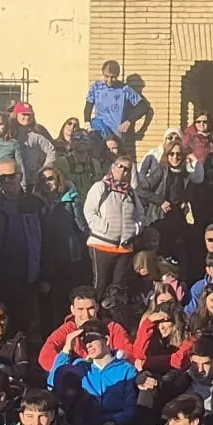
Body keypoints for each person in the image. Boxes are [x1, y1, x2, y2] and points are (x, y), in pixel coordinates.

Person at [0, 160, 47, 333]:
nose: (7, 181)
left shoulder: (34, 204)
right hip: (0, 274)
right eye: (2, 177)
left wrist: (44, 274)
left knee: (24, 324)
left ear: (20, 176)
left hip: (28, 273)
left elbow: (47, 241)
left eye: (11, 176)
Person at [83, 155, 150, 299]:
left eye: (128, 169)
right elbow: (89, 212)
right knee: (100, 285)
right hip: (101, 245)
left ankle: (114, 318)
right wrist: (103, 228)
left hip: (124, 248)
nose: (124, 172)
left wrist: (134, 229)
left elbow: (141, 215)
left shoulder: (131, 192)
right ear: (113, 168)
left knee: (118, 289)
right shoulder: (100, 187)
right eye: (121, 167)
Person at [85, 61, 148, 152]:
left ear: (118, 76)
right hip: (100, 130)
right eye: (107, 76)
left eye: (113, 77)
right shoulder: (97, 87)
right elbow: (88, 105)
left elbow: (142, 107)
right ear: (103, 74)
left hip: (116, 133)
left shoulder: (125, 90)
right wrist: (87, 122)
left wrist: (129, 121)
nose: (109, 80)